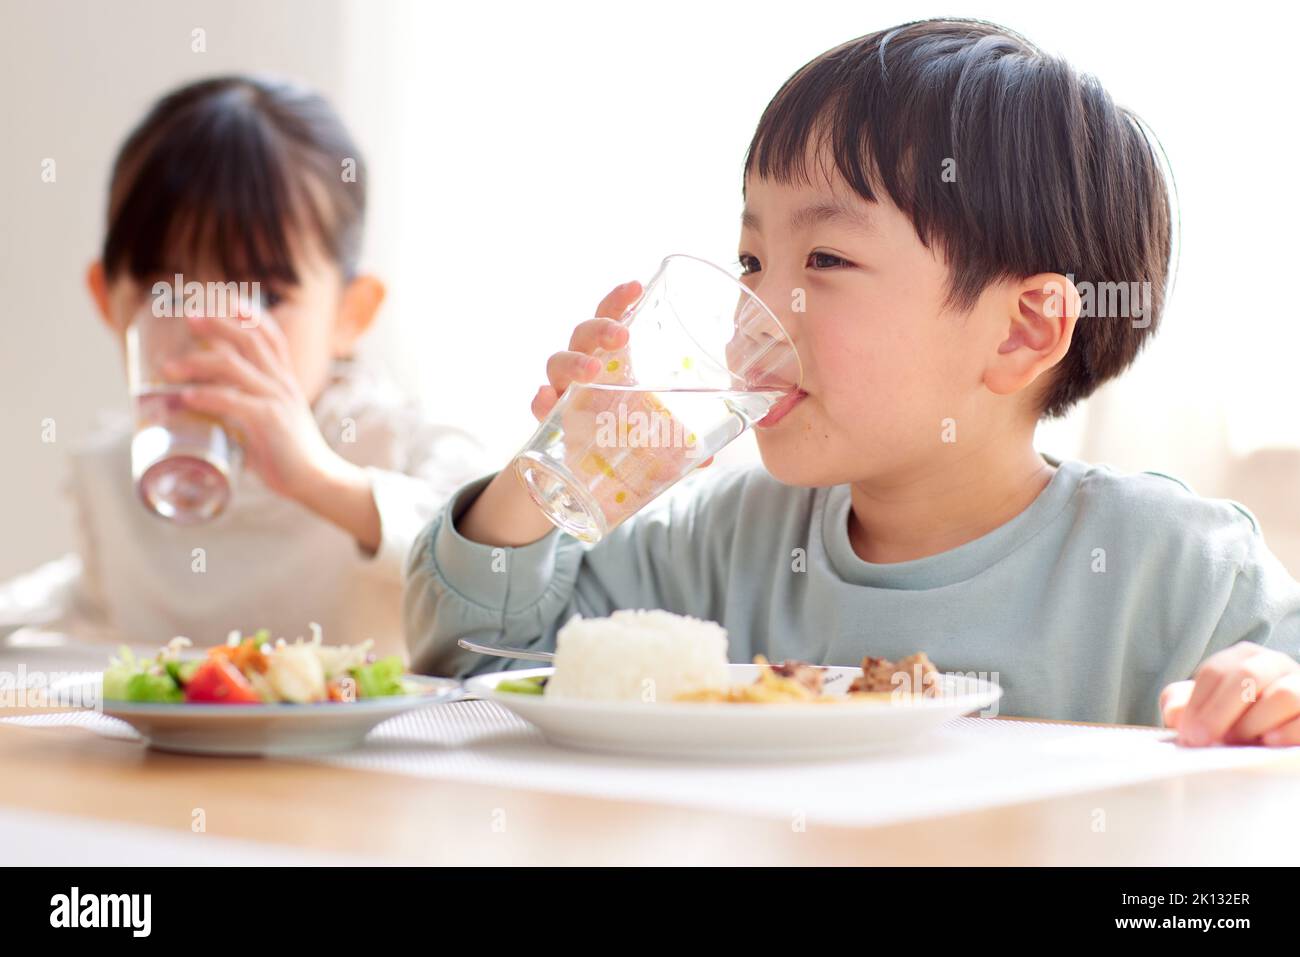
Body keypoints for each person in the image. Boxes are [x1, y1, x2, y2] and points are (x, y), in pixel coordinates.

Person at [405, 19, 1300, 743]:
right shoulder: (723, 542)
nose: (753, 304)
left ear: (1022, 329)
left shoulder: (1178, 567)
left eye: (824, 256)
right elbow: (480, 670)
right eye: (751, 256)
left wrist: (1272, 701)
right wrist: (548, 471)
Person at [0, 75, 485, 658]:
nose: (211, 332)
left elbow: (499, 574)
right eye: (169, 294)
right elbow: (78, 601)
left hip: (355, 750)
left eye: (263, 298)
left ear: (349, 315)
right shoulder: (113, 472)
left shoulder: (392, 443)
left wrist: (317, 477)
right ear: (110, 303)